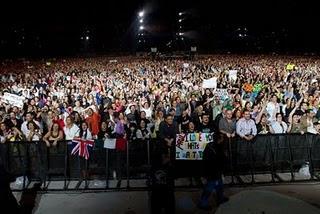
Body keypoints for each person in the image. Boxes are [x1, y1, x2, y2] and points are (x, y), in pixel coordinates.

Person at [198, 141, 229, 210]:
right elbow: (220, 159)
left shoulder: (213, 146)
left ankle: (220, 198)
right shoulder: (212, 148)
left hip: (216, 170)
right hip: (213, 171)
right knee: (210, 187)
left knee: (219, 185)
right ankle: (203, 203)